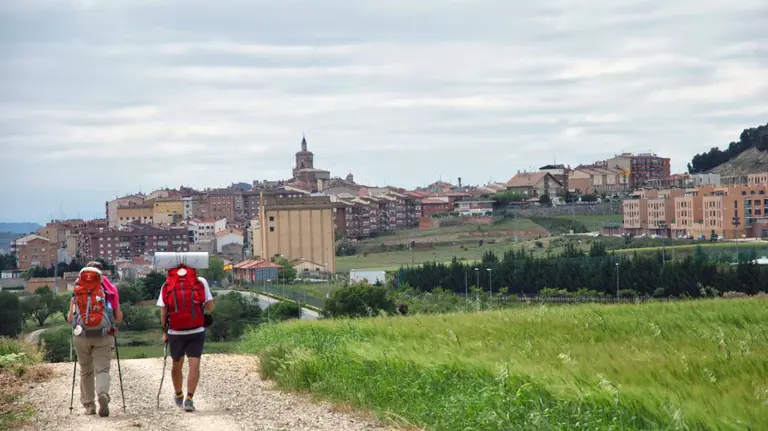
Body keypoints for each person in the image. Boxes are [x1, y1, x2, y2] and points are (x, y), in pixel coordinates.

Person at [68, 266, 123, 417]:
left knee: (86, 371)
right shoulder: (108, 291)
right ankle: (102, 394)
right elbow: (117, 318)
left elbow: (70, 319)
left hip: (81, 336)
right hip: (103, 335)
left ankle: (89, 405)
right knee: (102, 370)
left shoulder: (77, 292)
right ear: (101, 277)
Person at [157, 270, 214, 412]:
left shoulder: (167, 284)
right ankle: (189, 398)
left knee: (177, 364)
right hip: (196, 331)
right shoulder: (201, 282)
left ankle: (178, 394)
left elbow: (164, 312)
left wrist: (165, 333)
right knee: (194, 365)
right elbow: (210, 307)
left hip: (175, 332)